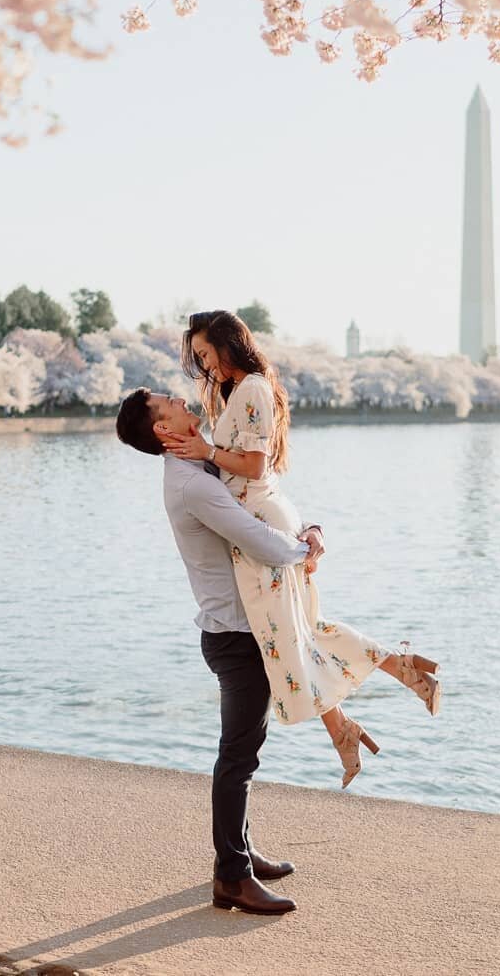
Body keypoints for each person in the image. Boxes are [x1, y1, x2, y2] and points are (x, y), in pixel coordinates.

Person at [162, 311, 441, 783]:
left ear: (229, 345)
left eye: (207, 354)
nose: (205, 367)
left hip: (260, 530)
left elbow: (251, 465)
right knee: (298, 632)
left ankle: (396, 675)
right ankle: (371, 701)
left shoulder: (251, 387)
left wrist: (208, 452)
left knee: (287, 640)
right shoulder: (245, 388)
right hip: (264, 519)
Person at [116, 387, 325, 915]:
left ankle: (243, 853)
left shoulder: (200, 468)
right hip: (235, 637)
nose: (188, 403)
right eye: (174, 405)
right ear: (164, 431)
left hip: (239, 629)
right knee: (238, 757)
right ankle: (231, 875)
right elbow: (258, 540)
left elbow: (260, 500)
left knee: (244, 753)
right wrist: (307, 548)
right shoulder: (191, 484)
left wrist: (306, 527)